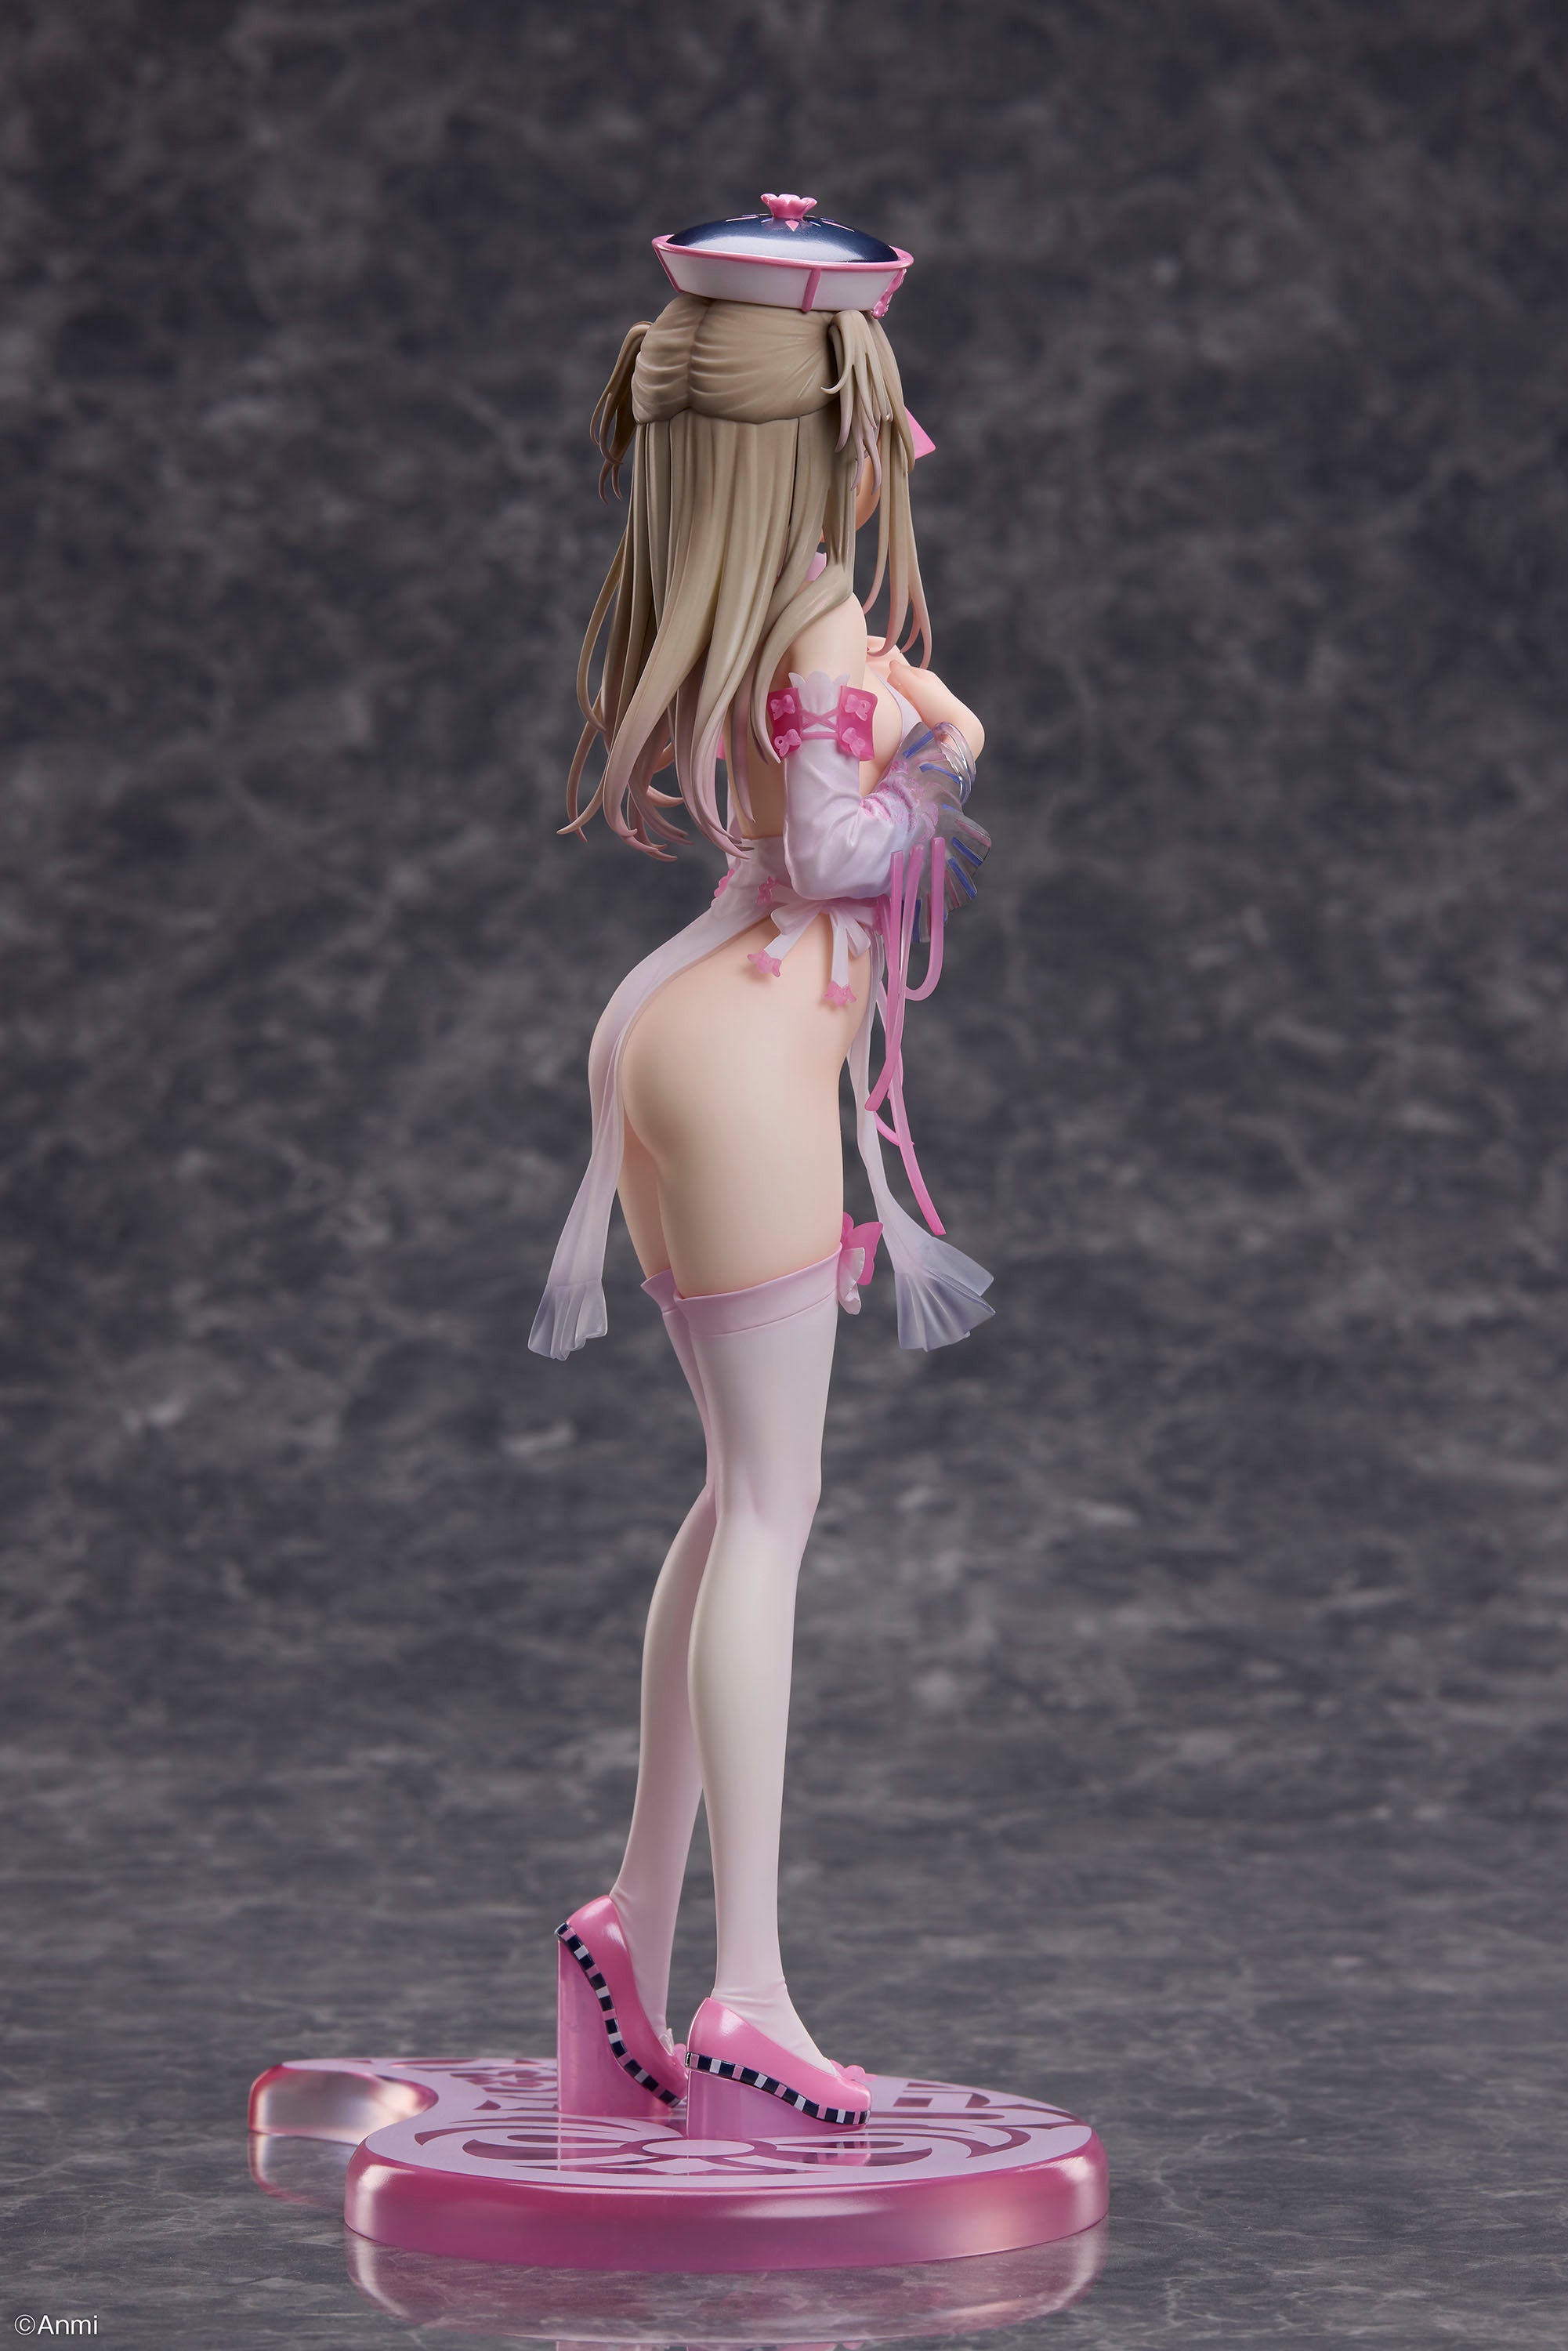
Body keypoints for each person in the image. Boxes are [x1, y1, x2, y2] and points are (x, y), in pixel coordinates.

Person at [533, 197, 994, 2138]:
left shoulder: (736, 591)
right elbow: (831, 854)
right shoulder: (808, 616)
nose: (899, 454)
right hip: (743, 1047)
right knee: (775, 1511)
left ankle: (627, 1942)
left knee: (735, 1496)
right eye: (876, 420)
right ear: (823, 436)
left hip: (675, 1021)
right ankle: (748, 1999)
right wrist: (941, 745)